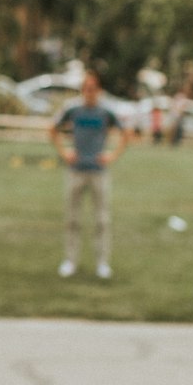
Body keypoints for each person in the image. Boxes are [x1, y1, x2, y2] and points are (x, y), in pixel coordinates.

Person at [51, 70, 128, 281]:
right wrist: (64, 152)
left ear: (98, 90)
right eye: (86, 88)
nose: (89, 92)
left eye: (93, 88)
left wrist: (112, 156)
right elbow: (53, 128)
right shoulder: (73, 109)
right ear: (82, 90)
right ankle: (70, 261)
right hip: (76, 170)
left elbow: (125, 133)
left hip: (98, 172)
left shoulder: (105, 112)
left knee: (101, 220)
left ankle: (102, 263)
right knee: (72, 219)